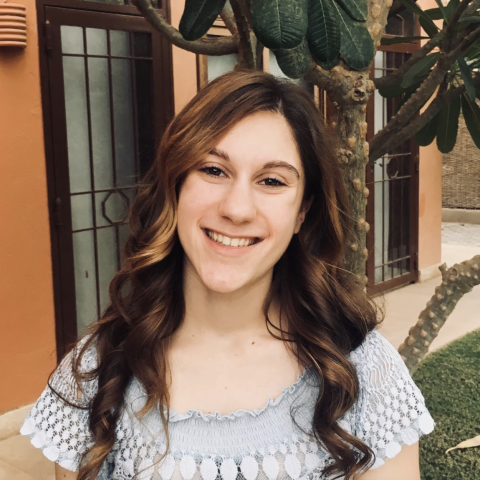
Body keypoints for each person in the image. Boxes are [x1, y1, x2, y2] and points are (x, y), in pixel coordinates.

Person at [20, 69, 435, 480]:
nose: (237, 209)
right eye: (214, 170)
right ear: (175, 186)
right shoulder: (96, 370)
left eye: (271, 181)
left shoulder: (360, 370)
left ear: (302, 212)